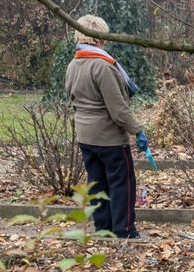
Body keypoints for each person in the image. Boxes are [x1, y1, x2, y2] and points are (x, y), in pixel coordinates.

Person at [64, 14, 149, 239]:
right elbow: (118, 110)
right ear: (100, 37)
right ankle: (124, 230)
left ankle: (103, 228)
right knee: (122, 183)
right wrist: (138, 130)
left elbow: (71, 98)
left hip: (85, 136)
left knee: (97, 183)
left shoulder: (73, 64)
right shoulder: (103, 66)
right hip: (109, 137)